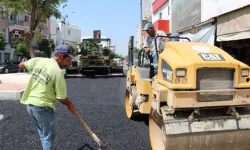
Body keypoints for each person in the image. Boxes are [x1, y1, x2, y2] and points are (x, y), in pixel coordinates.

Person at [18, 44, 77, 150]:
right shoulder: (58, 72)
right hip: (43, 107)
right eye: (67, 60)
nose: (68, 64)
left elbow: (21, 65)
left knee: (44, 133)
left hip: (30, 105)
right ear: (60, 56)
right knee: (49, 136)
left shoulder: (39, 60)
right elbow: (61, 97)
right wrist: (70, 104)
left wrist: (36, 71)